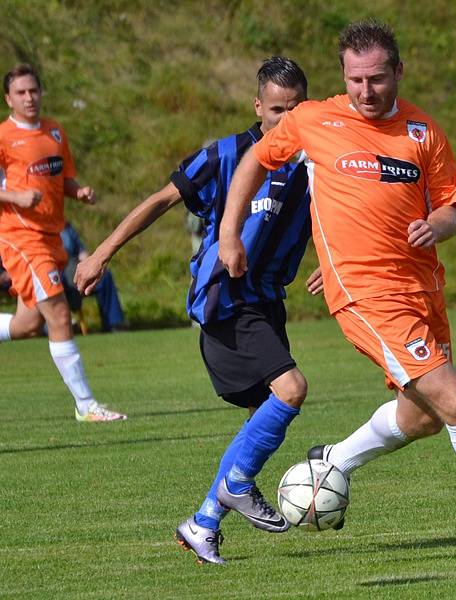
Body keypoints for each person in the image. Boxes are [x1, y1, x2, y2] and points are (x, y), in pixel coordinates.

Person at [219, 20, 456, 544]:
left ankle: (333, 460)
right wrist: (229, 232)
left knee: (422, 418)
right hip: (364, 292)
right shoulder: (312, 121)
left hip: (421, 288)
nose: (365, 91)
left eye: (377, 79)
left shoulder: (423, 132)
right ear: (343, 76)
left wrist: (435, 224)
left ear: (399, 71)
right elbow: (254, 163)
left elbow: (450, 209)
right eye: (355, 80)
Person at [75, 57, 316, 565]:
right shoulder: (229, 155)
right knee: (291, 389)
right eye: (277, 109)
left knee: (261, 419)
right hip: (227, 303)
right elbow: (161, 200)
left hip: (268, 305)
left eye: (297, 108)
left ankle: (203, 522)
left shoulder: (316, 164)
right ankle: (235, 487)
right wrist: (100, 253)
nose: (287, 119)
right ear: (258, 107)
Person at [0, 63, 126, 422]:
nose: (29, 98)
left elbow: (61, 177)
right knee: (58, 313)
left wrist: (79, 191)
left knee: (28, 325)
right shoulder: (3, 136)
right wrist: (14, 198)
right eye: (21, 92)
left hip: (53, 236)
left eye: (33, 90)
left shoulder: (54, 131)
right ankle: (87, 407)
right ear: (8, 98)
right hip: (20, 239)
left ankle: (86, 405)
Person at [61, 222, 126, 332]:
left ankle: (114, 324)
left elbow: (82, 253)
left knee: (104, 277)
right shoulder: (37, 226)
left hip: (74, 268)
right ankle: (62, 326)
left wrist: (90, 267)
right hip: (56, 272)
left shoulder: (66, 227)